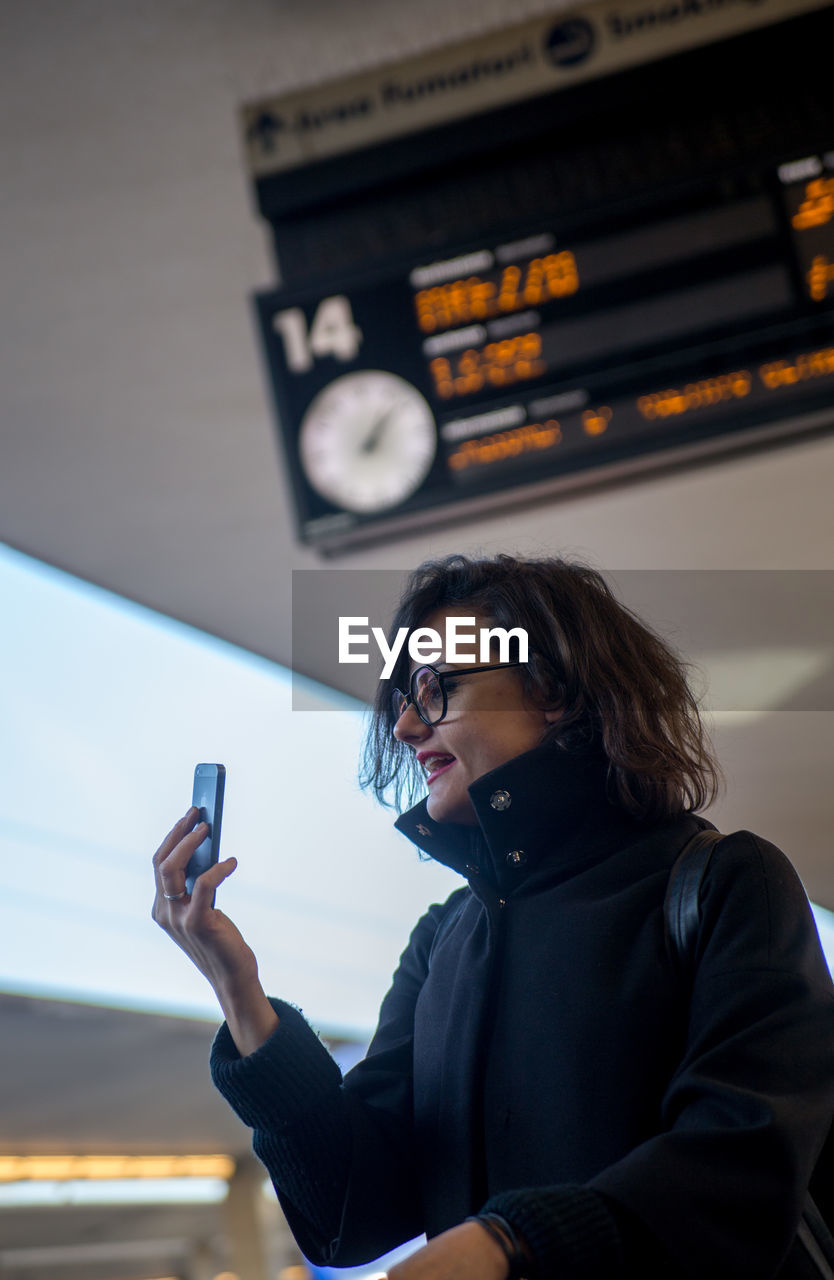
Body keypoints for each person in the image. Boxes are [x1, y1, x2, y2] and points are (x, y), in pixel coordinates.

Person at [153, 554, 834, 1280]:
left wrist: (514, 1243)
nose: (409, 727)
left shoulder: (724, 881)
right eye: (404, 702)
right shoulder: (442, 940)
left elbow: (747, 1162)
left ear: (556, 692)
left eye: (436, 688)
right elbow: (348, 1215)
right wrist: (240, 992)